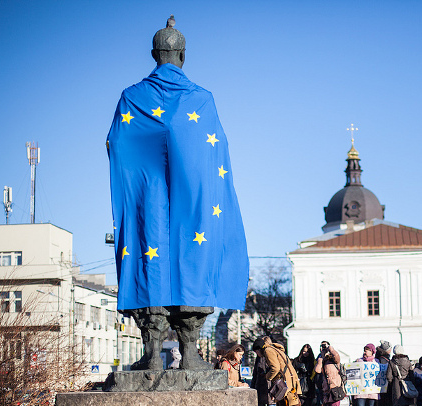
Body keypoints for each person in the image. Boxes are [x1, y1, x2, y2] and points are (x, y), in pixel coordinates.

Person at [106, 16, 249, 371]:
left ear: (154, 53)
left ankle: (152, 355)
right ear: (182, 54)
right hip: (194, 198)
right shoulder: (201, 99)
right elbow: (216, 151)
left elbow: (117, 142)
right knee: (193, 257)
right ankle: (190, 356)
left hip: (146, 198)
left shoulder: (132, 98)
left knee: (147, 255)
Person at [254, 337, 302, 406]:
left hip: (283, 384)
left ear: (258, 349)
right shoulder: (276, 349)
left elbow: (275, 368)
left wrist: (267, 377)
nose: (257, 355)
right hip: (290, 383)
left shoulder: (268, 351)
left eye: (256, 352)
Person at [315, 341, 344, 406]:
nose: (324, 347)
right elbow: (317, 370)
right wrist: (321, 357)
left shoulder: (334, 360)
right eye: (322, 346)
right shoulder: (322, 360)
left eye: (325, 345)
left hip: (335, 388)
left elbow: (336, 355)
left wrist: (330, 349)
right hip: (326, 389)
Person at [251, 336, 273, 406]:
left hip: (268, 387)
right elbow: (255, 374)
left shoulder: (270, 355)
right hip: (261, 387)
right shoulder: (259, 357)